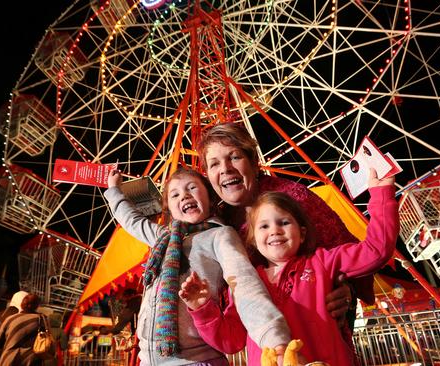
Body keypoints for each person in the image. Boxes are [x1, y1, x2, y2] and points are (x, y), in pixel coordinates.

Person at [180, 169, 398, 366]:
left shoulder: (323, 262)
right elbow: (231, 340)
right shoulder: (245, 285)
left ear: (302, 233)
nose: (275, 230)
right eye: (264, 226)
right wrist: (202, 308)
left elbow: (376, 250)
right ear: (252, 239)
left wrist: (381, 194)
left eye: (284, 222)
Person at [104, 166, 291, 365]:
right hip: (149, 360)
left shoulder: (219, 235)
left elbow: (244, 283)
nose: (184, 196)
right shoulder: (162, 238)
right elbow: (131, 220)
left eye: (192, 188)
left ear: (210, 199)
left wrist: (276, 342)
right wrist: (114, 190)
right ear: (170, 209)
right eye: (175, 195)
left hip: (197, 359)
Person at [196, 123, 371, 323]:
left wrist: (348, 291)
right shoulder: (214, 224)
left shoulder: (295, 199)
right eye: (214, 164)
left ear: (254, 162)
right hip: (261, 338)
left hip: (315, 323)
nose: (225, 169)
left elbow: (351, 255)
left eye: (234, 157)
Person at [0, 293, 49, 366]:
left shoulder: (10, 319)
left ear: (22, 304)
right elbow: (47, 341)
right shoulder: (41, 319)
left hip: (8, 360)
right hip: (30, 360)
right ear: (37, 306)